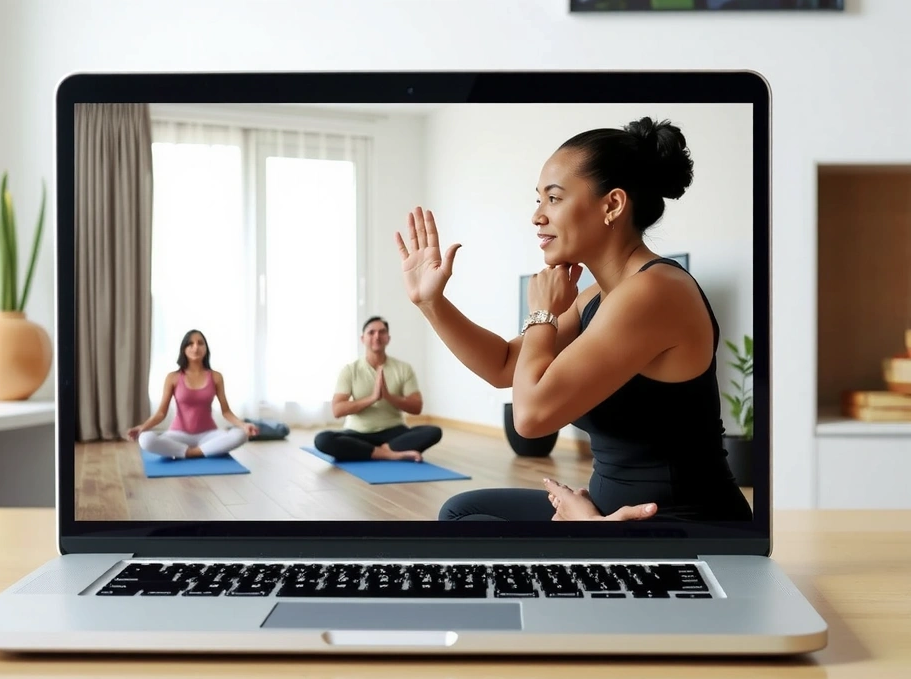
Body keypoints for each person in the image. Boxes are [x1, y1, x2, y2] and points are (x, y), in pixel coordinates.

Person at [394, 116, 753, 522]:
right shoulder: (597, 297)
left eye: (554, 198)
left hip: (679, 526)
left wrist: (542, 315)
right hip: (605, 515)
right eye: (538, 199)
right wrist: (431, 302)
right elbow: (503, 367)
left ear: (612, 205)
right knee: (463, 511)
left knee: (470, 525)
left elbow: (530, 419)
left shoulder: (656, 292)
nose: (537, 216)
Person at [313, 316, 443, 462]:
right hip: (358, 433)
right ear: (363, 338)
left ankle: (374, 451)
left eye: (382, 332)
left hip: (394, 433)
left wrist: (388, 396)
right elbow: (337, 410)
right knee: (322, 440)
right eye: (371, 332)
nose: (377, 336)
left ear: (388, 338)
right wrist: (372, 398)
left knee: (434, 431)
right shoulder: (350, 370)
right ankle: (387, 453)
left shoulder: (403, 368)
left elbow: (416, 407)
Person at [127, 329, 259, 459]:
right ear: (184, 349)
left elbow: (226, 411)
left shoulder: (216, 377)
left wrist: (244, 425)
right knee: (145, 439)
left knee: (240, 434)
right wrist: (141, 428)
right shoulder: (173, 377)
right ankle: (200, 451)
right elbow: (161, 413)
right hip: (178, 434)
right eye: (190, 344)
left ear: (206, 348)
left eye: (200, 343)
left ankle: (190, 452)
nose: (196, 347)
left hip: (208, 434)